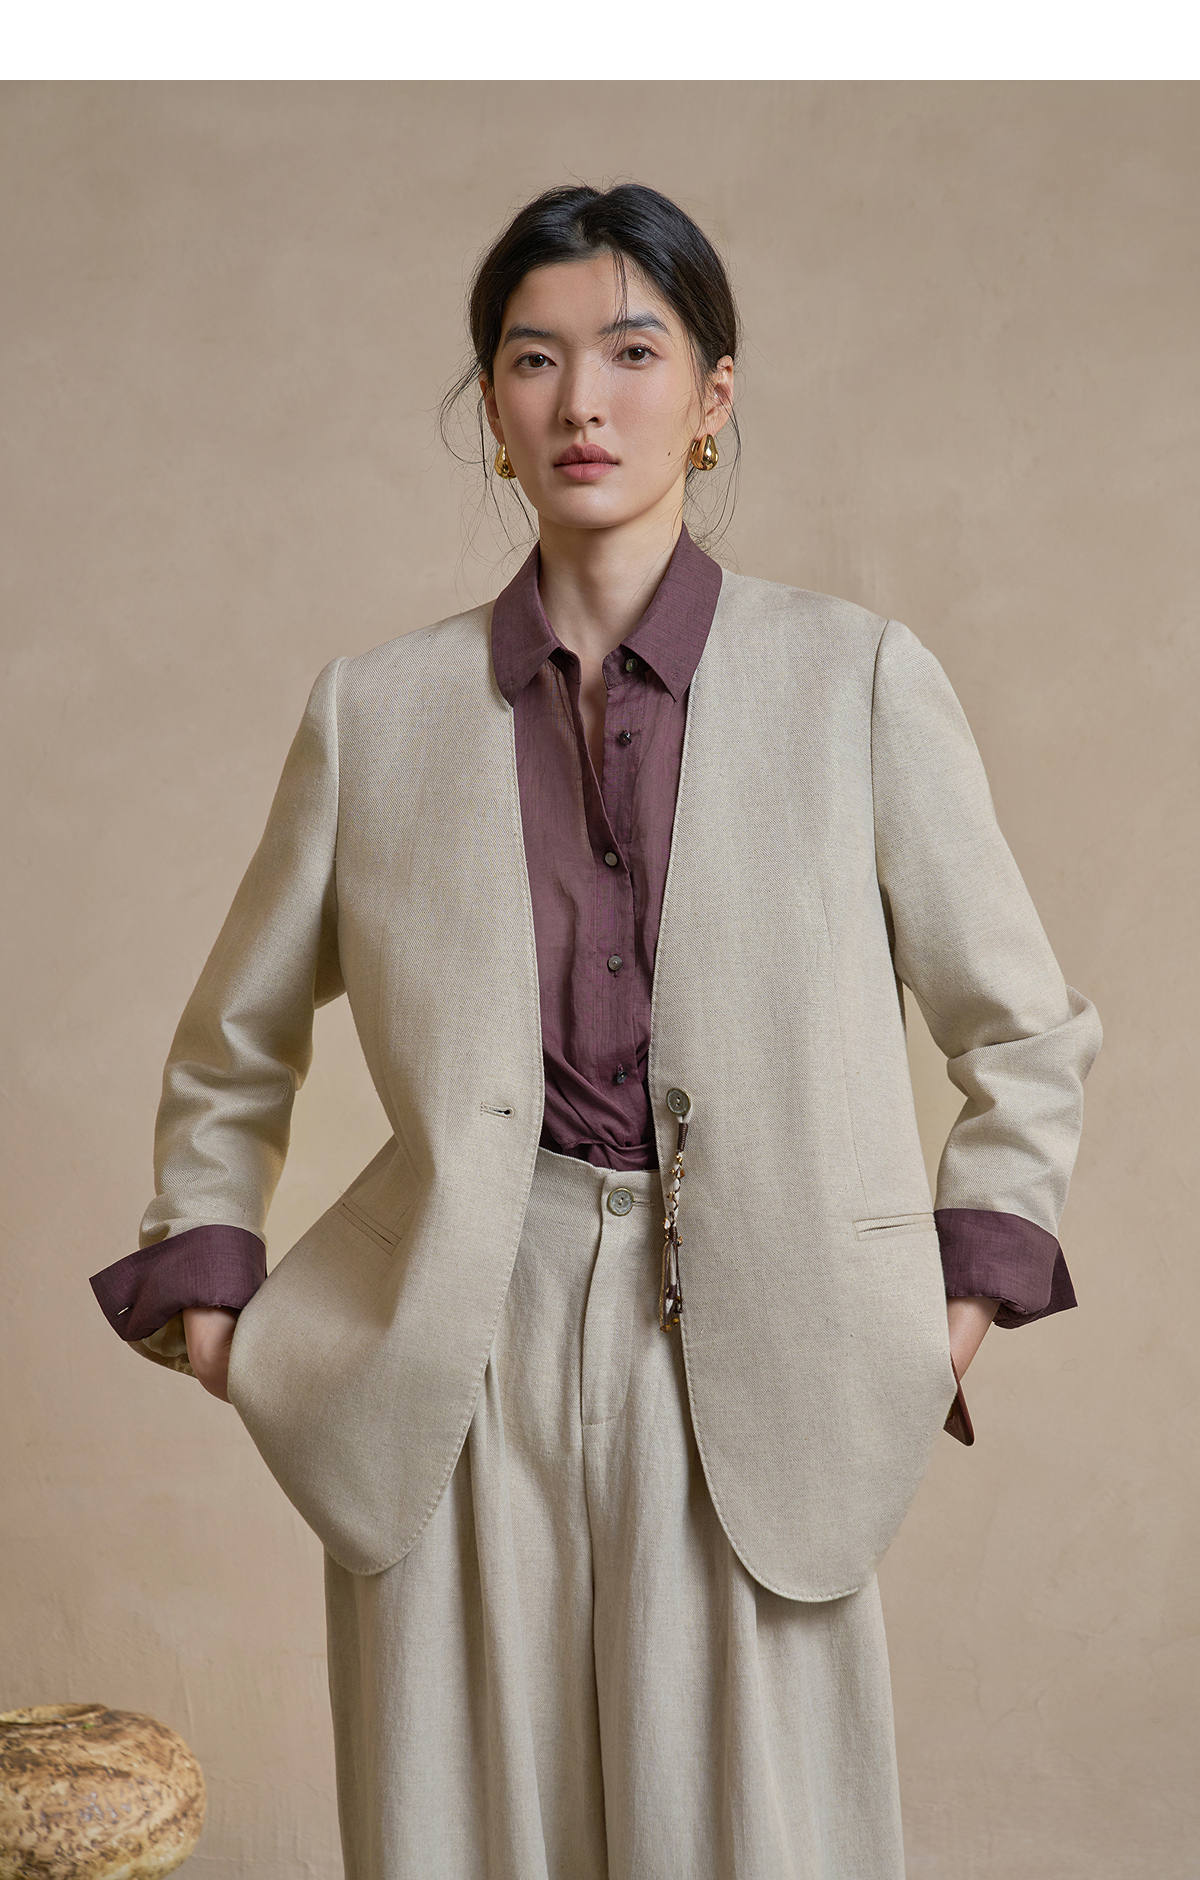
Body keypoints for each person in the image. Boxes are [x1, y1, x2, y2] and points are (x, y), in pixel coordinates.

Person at [90, 182, 1101, 1879]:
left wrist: (953, 1308)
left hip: (773, 1335)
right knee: (461, 1829)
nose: (583, 401)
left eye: (634, 352)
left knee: (756, 1836)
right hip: (451, 1343)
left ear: (713, 397)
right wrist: (215, 1297)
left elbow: (1023, 1033)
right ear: (492, 407)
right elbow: (230, 1046)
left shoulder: (855, 679)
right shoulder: (376, 713)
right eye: (533, 357)